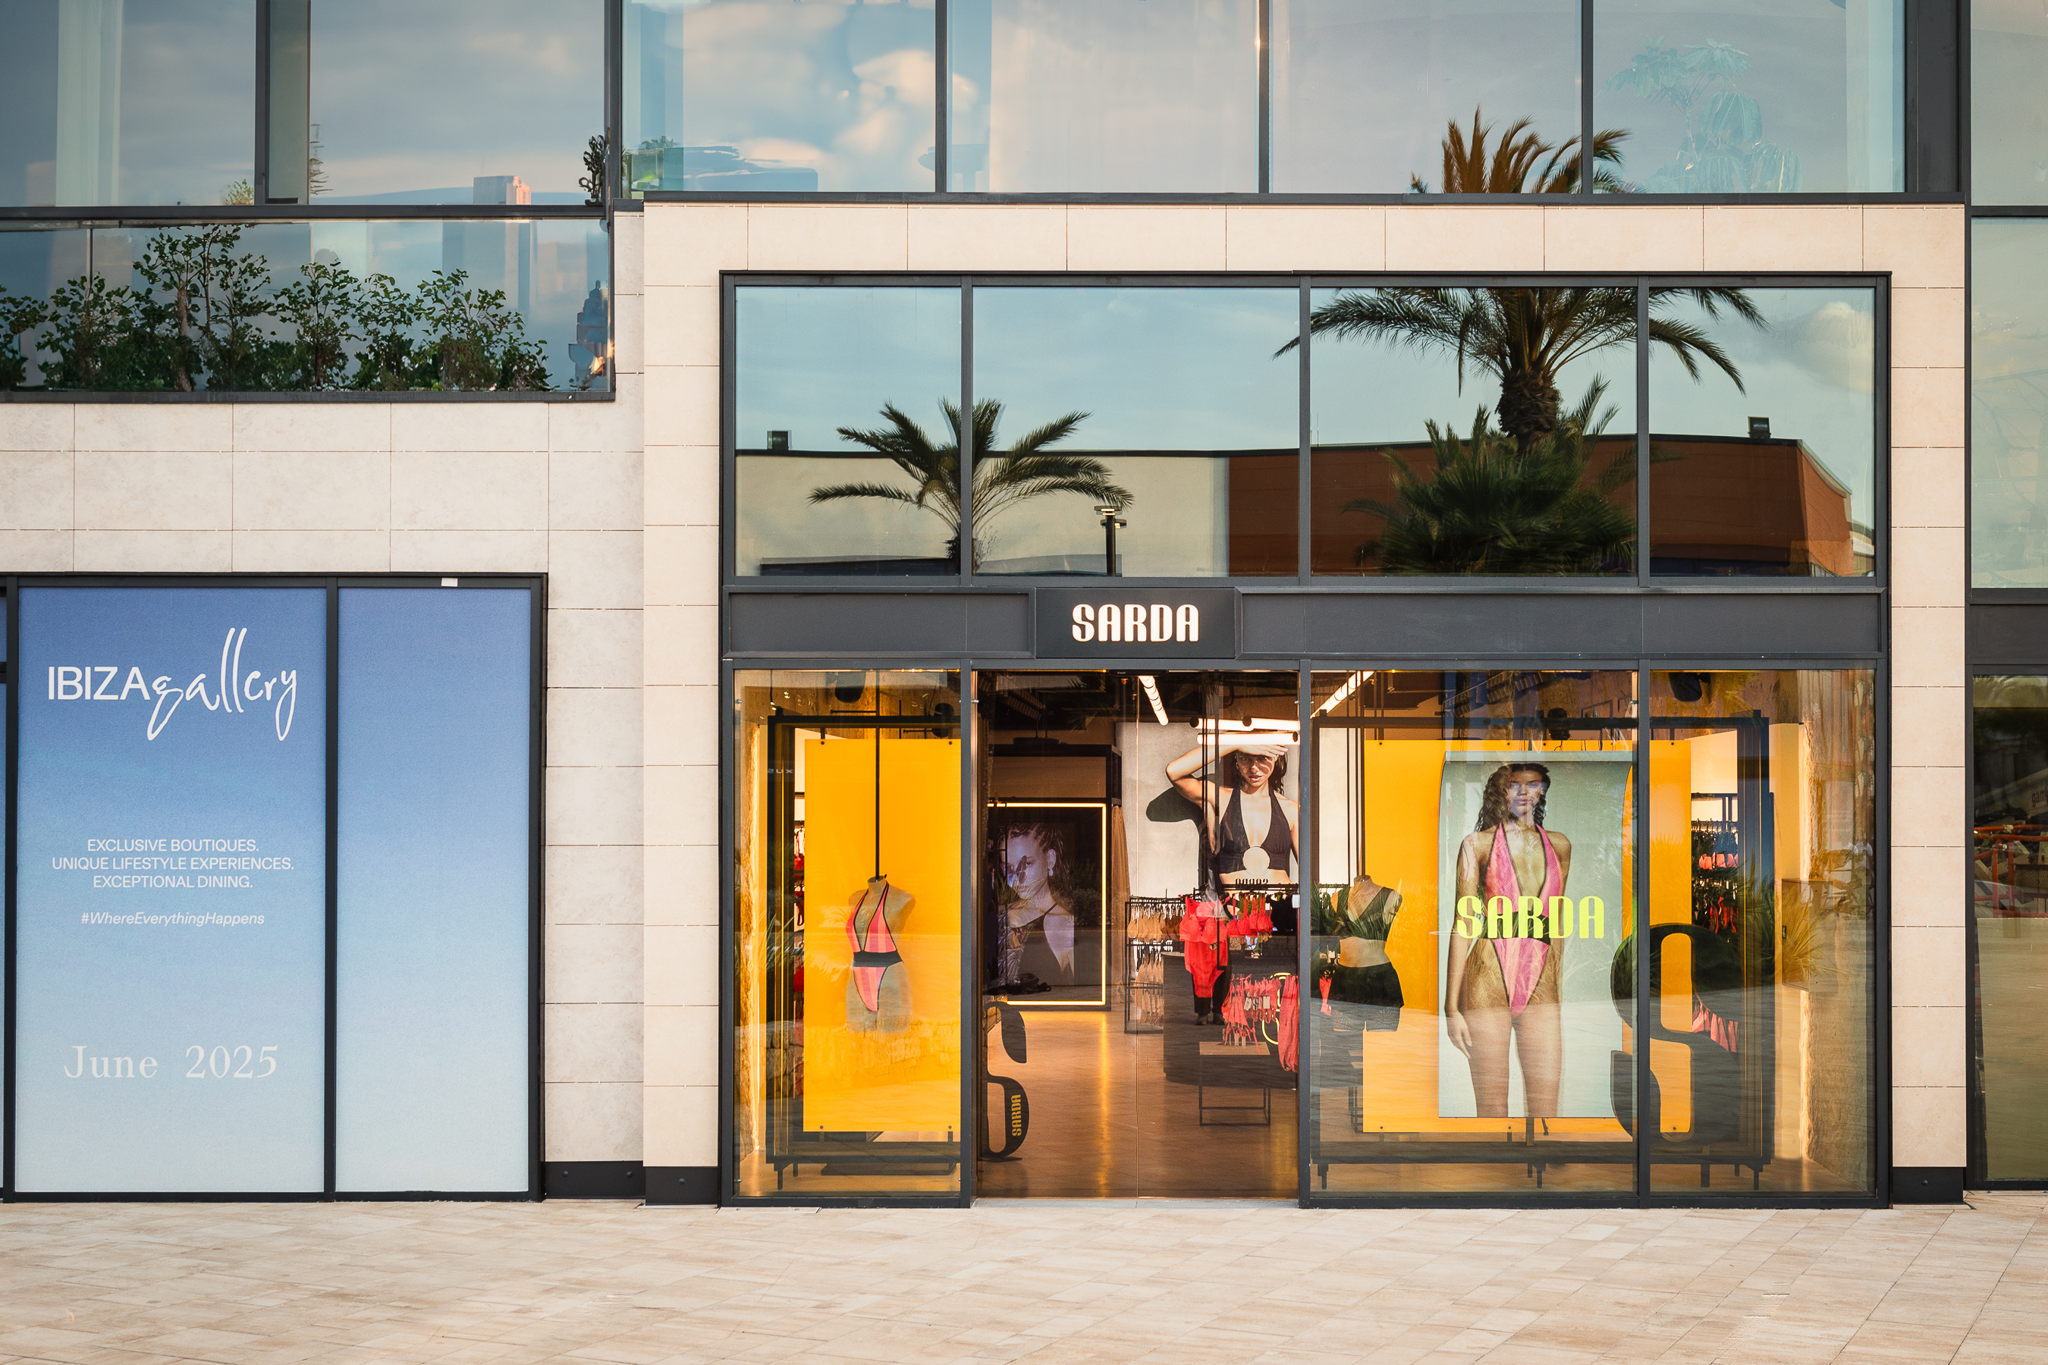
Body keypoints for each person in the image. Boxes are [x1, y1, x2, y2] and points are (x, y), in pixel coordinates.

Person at [1445, 763, 1573, 1118]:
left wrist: (1557, 984)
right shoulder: (1477, 844)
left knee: (1545, 1110)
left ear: (1542, 790)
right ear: (1501, 792)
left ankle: (1540, 1155)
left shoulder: (1560, 845)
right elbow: (1462, 924)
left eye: (1533, 784)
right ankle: (1494, 1156)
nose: (1524, 792)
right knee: (1491, 1109)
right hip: (1488, 971)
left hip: (1540, 975)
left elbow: (1556, 922)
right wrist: (1451, 1008)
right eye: (1515, 784)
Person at [1165, 732, 1300, 888]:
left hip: (1280, 902)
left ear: (1275, 757)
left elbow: (1309, 871)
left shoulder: (1290, 809)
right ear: (1236, 760)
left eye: (1263, 758)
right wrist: (1236, 743)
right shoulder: (1219, 799)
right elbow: (1174, 771)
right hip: (1232, 903)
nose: (1254, 768)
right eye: (1246, 758)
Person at [995, 823, 1077, 989]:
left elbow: (1074, 989)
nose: (1017, 877)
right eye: (1008, 867)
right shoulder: (1001, 913)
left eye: (1027, 864)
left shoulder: (1059, 921)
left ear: (1050, 859)